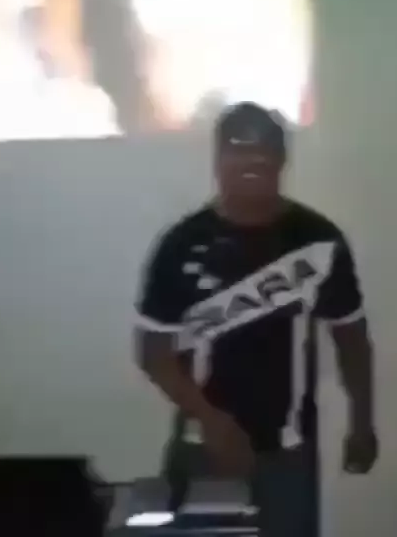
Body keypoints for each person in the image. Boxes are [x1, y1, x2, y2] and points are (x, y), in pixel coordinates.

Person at [133, 102, 378, 537]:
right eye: (238, 146)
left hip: (288, 450)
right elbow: (153, 352)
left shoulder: (319, 240)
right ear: (217, 158)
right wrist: (212, 421)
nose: (252, 158)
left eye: (264, 147)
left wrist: (362, 422)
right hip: (202, 444)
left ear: (282, 159)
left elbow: (352, 340)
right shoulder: (181, 244)